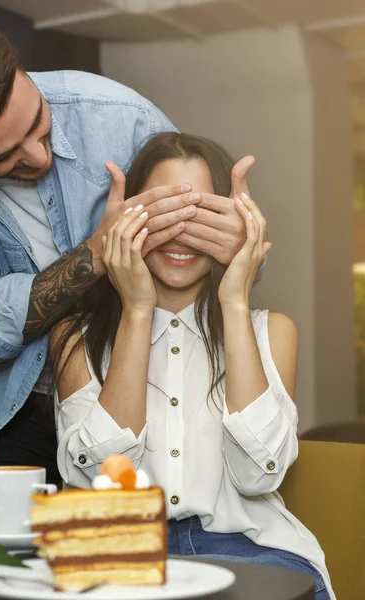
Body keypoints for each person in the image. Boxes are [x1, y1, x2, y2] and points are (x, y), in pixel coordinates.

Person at [0, 16, 254, 484]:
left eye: (38, 124)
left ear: (22, 73)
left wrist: (233, 246)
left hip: (143, 402)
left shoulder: (121, 117)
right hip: (11, 414)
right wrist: (95, 253)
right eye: (1, 158)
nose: (39, 156)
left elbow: (203, 266)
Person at [49, 131, 333, 598]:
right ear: (127, 220)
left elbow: (257, 474)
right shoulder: (75, 337)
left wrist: (236, 300)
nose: (181, 233)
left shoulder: (273, 330)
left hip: (250, 547)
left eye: (201, 216)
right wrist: (137, 311)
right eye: (163, 215)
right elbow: (100, 484)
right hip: (118, 553)